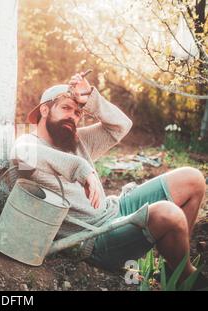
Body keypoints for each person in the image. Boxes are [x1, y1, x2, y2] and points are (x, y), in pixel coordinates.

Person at [12, 71, 207, 289]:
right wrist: (82, 169)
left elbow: (121, 126)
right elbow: (21, 154)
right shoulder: (28, 143)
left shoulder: (76, 141)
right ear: (45, 110)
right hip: (96, 238)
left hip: (115, 210)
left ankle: (174, 266)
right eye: (66, 108)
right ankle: (186, 275)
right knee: (168, 213)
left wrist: (90, 97)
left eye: (78, 113)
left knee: (192, 178)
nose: (73, 117)